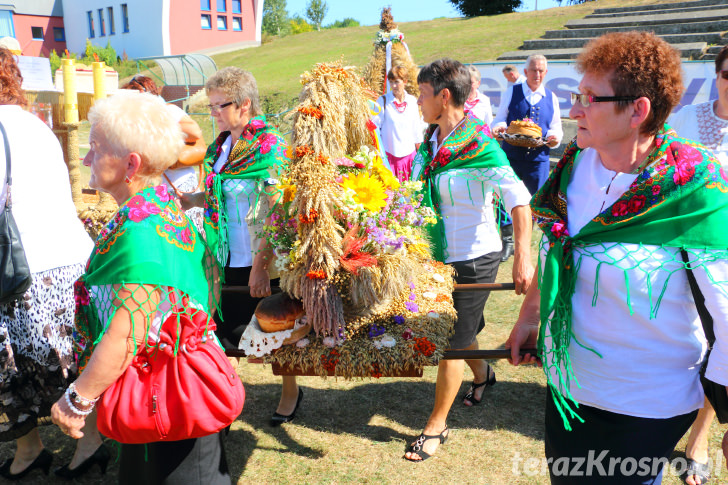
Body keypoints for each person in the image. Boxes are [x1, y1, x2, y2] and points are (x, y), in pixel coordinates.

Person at [506, 31, 728, 484]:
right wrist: (530, 318)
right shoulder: (574, 165)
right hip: (568, 386)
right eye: (577, 94)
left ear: (637, 110)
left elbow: (726, 311)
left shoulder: (696, 188)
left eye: (590, 98)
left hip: (648, 401)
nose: (574, 109)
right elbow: (557, 249)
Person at [50, 90, 232, 484]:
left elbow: (128, 326)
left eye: (95, 149)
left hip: (169, 397)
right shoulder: (156, 207)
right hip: (155, 391)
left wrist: (78, 398)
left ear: (131, 163)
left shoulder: (141, 229)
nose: (85, 159)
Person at [404, 58, 534, 462]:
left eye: (422, 94)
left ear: (445, 96)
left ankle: (436, 425)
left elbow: (519, 199)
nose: (417, 101)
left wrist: (523, 257)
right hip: (439, 254)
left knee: (451, 342)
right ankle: (483, 375)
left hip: (476, 256)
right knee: (465, 330)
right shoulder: (431, 141)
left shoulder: (479, 145)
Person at [0, 48, 104, 480]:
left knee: (13, 366)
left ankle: (31, 448)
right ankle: (90, 444)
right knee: (71, 357)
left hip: (24, 267)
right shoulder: (34, 124)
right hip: (69, 256)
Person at [178, 67, 298, 425]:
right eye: (211, 105)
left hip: (263, 260)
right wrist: (192, 199)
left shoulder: (271, 147)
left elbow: (278, 210)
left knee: (277, 334)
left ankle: (291, 392)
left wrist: (261, 266)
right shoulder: (220, 146)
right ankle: (222, 403)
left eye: (219, 106)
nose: (212, 113)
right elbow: (222, 194)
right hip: (225, 255)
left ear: (245, 105)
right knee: (229, 336)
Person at [668, 44, 728, 485]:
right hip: (682, 247)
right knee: (686, 336)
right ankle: (663, 414)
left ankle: (700, 438)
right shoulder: (687, 119)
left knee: (721, 341)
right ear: (717, 74)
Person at [121, 75, 206, 232]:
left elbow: (194, 131)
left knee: (193, 238)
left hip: (182, 187)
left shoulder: (167, 111)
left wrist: (156, 124)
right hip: (159, 192)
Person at [493, 54, 563, 195]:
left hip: (538, 161)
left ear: (546, 72)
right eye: (533, 70)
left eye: (541, 71)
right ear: (525, 72)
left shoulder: (551, 97)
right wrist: (498, 127)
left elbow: (555, 127)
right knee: (507, 201)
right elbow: (500, 118)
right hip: (511, 158)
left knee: (536, 203)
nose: (537, 74)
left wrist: (554, 137)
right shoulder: (512, 92)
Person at [373, 65, 424, 182]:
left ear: (405, 82)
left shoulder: (412, 101)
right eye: (391, 82)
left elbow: (416, 129)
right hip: (389, 158)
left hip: (409, 158)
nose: (393, 86)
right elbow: (375, 129)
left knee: (410, 194)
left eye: (397, 82)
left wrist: (421, 155)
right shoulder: (383, 101)